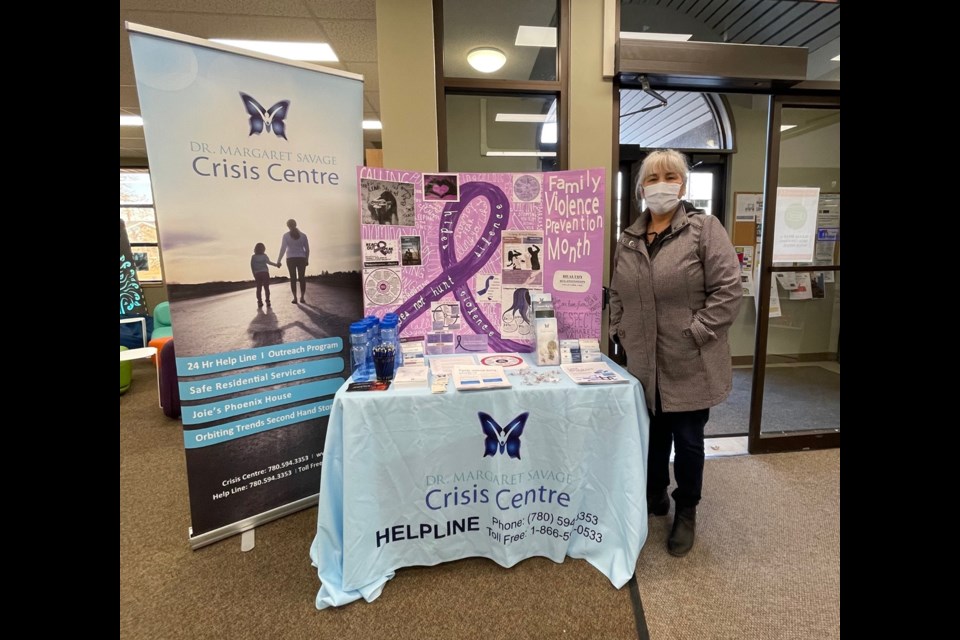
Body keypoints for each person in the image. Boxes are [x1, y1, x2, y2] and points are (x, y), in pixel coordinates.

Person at [609, 149, 742, 557]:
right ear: (641, 187)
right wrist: (619, 331)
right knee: (652, 435)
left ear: (682, 184)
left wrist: (696, 332)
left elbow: (728, 290)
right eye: (653, 177)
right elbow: (617, 294)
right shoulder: (628, 238)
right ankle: (655, 495)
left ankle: (686, 510)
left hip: (690, 360)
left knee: (686, 441)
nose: (661, 184)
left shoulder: (704, 229)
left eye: (670, 176)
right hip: (644, 362)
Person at [277, 219, 310, 304]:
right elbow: (307, 249)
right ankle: (302, 297)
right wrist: (307, 259)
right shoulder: (303, 235)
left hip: (290, 258)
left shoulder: (286, 236)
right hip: (301, 258)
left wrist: (279, 260)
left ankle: (295, 298)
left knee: (293, 278)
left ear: (288, 226)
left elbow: (283, 249)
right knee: (302, 278)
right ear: (296, 224)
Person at [250, 243, 280, 308]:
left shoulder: (253, 257)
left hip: (257, 274)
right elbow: (269, 262)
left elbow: (252, 266)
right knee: (266, 288)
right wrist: (276, 265)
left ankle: (259, 302)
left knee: (259, 288)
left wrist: (254, 274)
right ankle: (268, 301)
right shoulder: (264, 256)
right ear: (263, 249)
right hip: (265, 273)